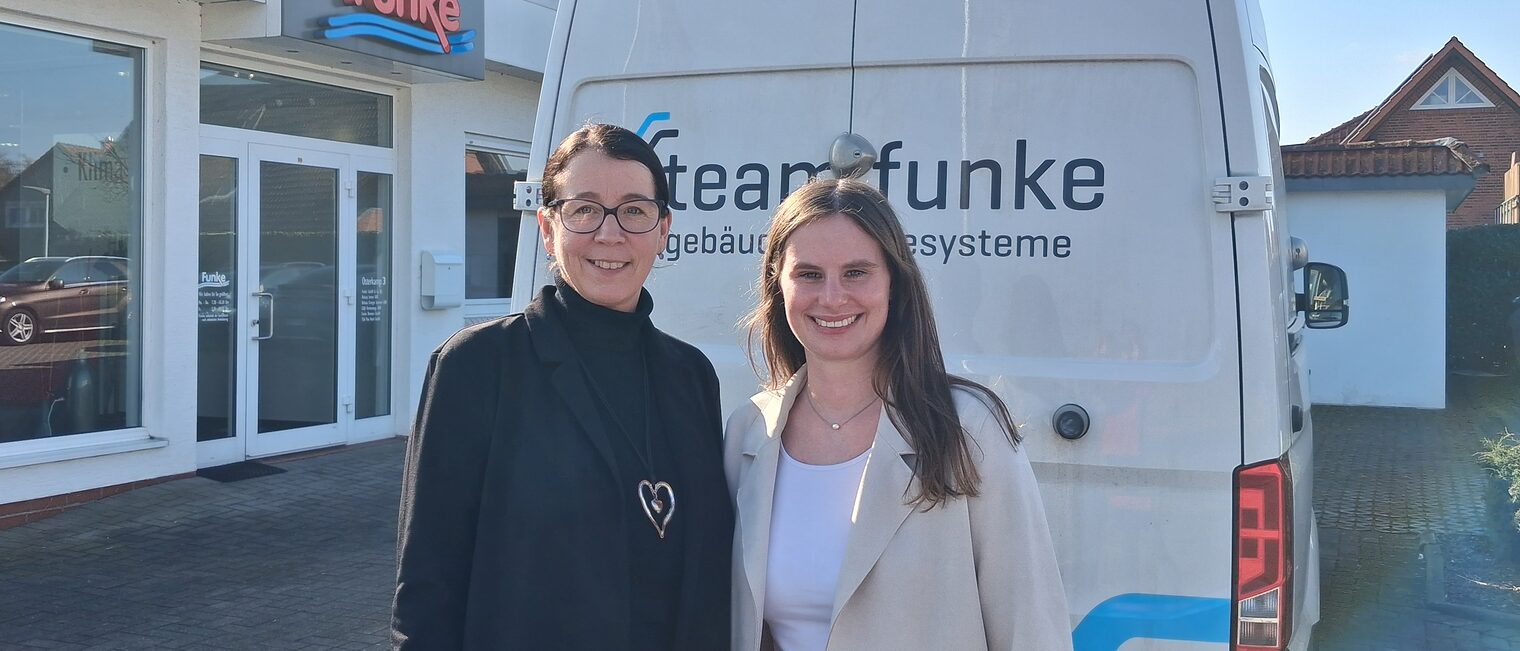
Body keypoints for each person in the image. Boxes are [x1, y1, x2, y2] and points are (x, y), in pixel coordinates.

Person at [392, 123, 732, 650]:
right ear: (548, 229)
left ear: (663, 231)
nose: (610, 234)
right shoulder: (478, 367)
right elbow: (427, 587)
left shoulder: (690, 375)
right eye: (585, 209)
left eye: (635, 210)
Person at [725, 178, 1071, 651]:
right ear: (777, 284)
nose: (831, 297)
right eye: (808, 274)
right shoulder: (749, 432)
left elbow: (1030, 627)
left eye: (856, 272)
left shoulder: (970, 428)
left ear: (895, 284)